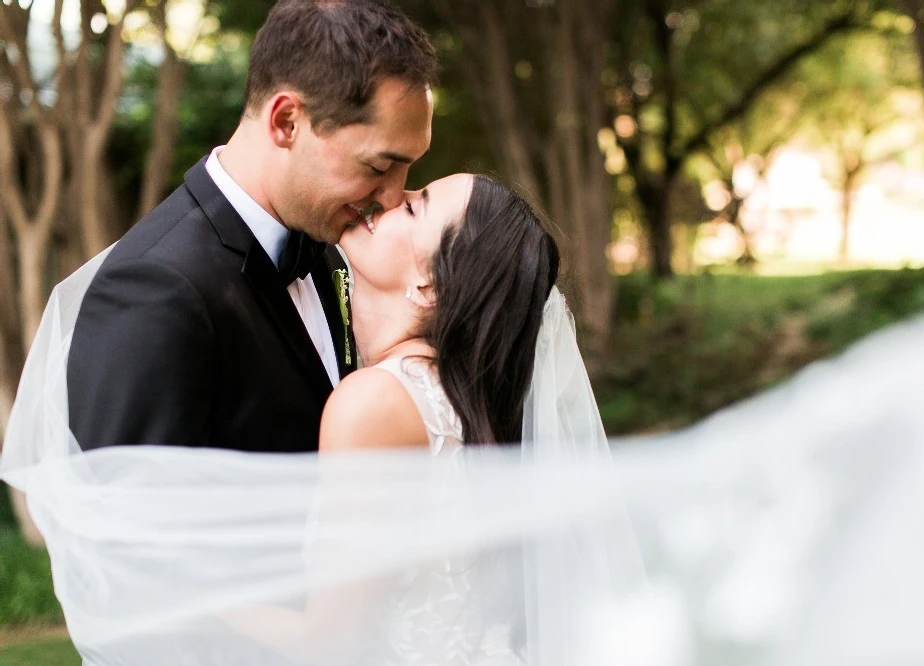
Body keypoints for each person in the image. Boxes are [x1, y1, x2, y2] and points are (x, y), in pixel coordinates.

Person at [65, 0, 436, 453]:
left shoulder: (324, 242)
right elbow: (125, 512)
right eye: (379, 166)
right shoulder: (155, 290)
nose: (395, 197)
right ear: (286, 122)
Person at [319, 173, 560, 453]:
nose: (392, 198)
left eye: (411, 210)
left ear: (430, 288)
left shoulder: (374, 401)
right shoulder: (455, 404)